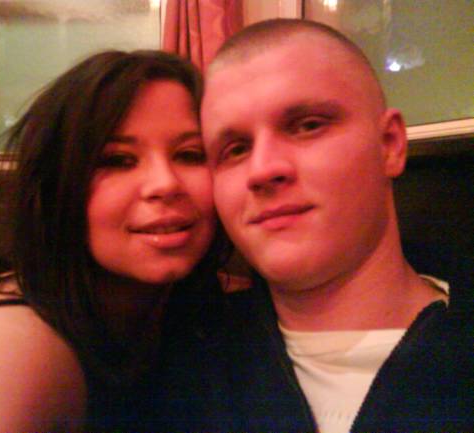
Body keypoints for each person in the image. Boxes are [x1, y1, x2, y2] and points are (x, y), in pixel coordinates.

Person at [156, 18, 474, 432]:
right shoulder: (174, 372)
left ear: (389, 145)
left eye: (308, 126)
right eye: (235, 150)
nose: (263, 169)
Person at [0, 50, 226, 432]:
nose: (165, 184)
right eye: (118, 160)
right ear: (55, 186)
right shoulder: (10, 347)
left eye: (190, 154)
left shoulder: (185, 318)